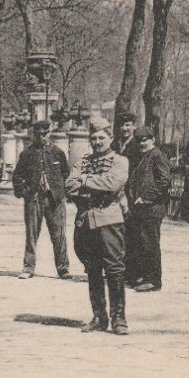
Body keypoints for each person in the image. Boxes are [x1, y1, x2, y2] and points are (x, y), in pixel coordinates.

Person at [66, 116, 130, 336]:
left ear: (110, 138)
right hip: (86, 222)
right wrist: (90, 184)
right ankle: (99, 317)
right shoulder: (83, 161)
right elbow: (69, 186)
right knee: (92, 271)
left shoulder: (120, 161)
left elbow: (113, 183)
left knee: (114, 269)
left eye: (102, 137)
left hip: (110, 221)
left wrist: (84, 181)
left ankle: (119, 319)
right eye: (93, 138)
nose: (97, 141)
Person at [12, 120, 70, 280]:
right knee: (31, 234)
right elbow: (17, 176)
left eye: (45, 133)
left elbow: (67, 174)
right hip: (34, 199)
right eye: (38, 134)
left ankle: (63, 268)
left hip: (54, 200)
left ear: (49, 132)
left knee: (59, 234)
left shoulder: (58, 152)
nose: (42, 137)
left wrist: (61, 192)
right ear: (34, 134)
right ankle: (28, 267)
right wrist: (24, 192)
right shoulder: (27, 154)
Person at [124, 126, 170, 293]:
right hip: (139, 208)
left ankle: (154, 280)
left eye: (145, 140)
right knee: (140, 243)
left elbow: (164, 181)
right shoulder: (141, 157)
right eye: (139, 140)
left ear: (153, 140)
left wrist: (146, 197)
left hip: (152, 207)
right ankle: (142, 276)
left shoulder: (157, 156)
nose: (142, 143)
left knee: (150, 244)